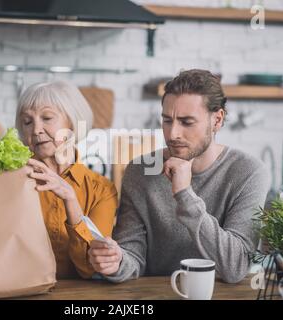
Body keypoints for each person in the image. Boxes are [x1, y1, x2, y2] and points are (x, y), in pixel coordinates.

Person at [88, 69, 270, 283]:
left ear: (217, 120)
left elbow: (236, 266)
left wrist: (185, 194)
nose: (173, 133)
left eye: (186, 122)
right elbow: (133, 257)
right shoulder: (140, 170)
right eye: (167, 120)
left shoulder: (249, 172)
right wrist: (116, 262)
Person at [0, 81, 118, 279]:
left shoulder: (102, 190)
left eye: (47, 118)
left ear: (72, 123)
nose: (36, 129)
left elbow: (90, 268)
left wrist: (70, 200)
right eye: (27, 122)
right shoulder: (6, 180)